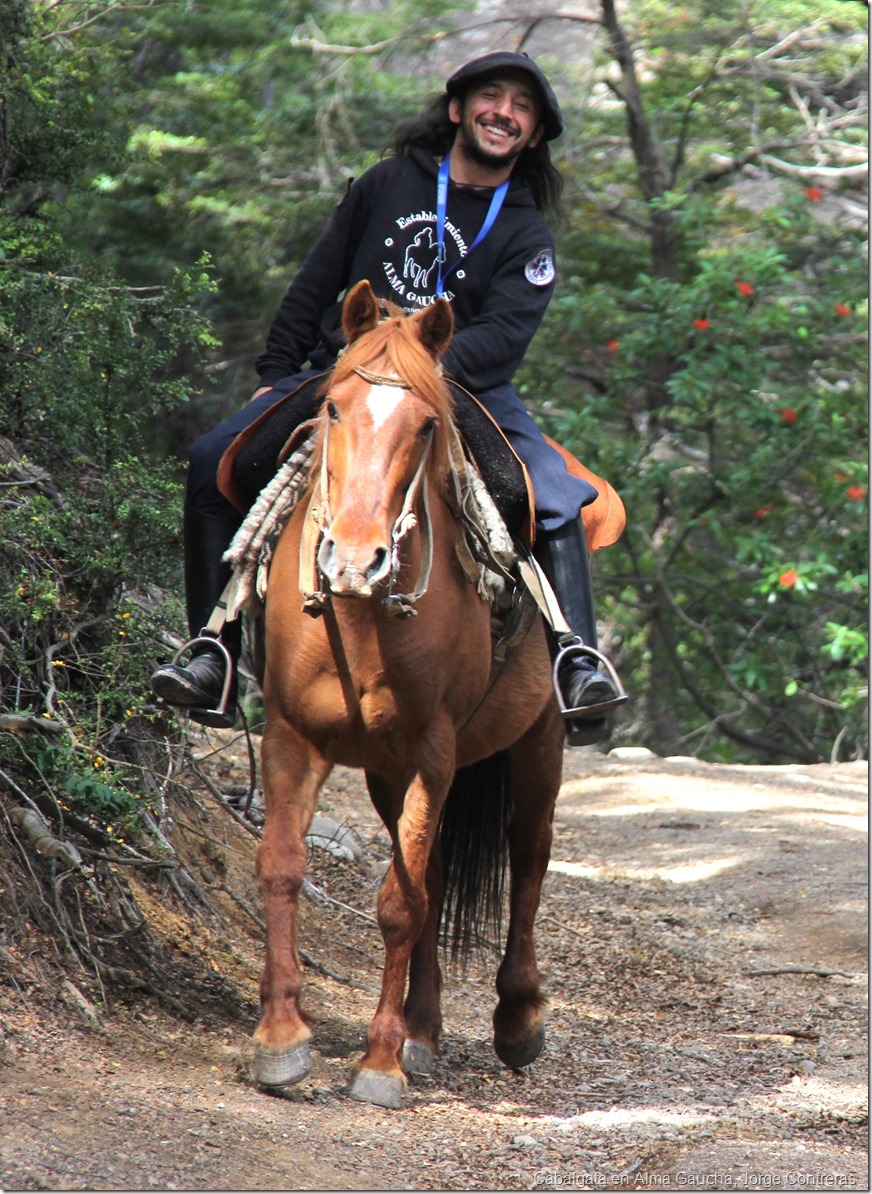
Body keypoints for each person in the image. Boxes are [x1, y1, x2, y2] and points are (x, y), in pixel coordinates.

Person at [151, 50, 625, 740]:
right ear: (459, 109)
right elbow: (317, 282)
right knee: (211, 458)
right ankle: (211, 652)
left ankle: (575, 661)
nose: (505, 113)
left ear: (534, 136)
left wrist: (413, 365)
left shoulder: (526, 231)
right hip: (344, 374)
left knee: (554, 496)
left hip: (465, 389)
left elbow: (503, 338)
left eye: (522, 108)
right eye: (491, 97)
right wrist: (275, 373)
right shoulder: (388, 183)